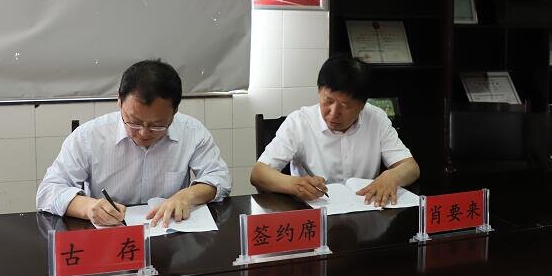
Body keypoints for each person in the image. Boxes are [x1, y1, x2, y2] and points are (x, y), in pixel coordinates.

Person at [37, 60, 231, 227]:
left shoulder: (192, 132)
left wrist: (187, 196)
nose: (144, 133)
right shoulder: (89, 137)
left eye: (157, 125)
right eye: (134, 122)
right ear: (119, 101)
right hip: (110, 238)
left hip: (169, 234)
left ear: (175, 111)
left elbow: (219, 177)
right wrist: (88, 207)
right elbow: (48, 191)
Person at [250, 54, 420, 207]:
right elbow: (258, 174)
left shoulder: (376, 118)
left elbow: (411, 168)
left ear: (362, 105)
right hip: (315, 216)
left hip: (366, 212)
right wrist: (294, 184)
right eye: (328, 101)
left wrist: (391, 176)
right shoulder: (299, 122)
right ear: (319, 91)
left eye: (345, 105)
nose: (333, 113)